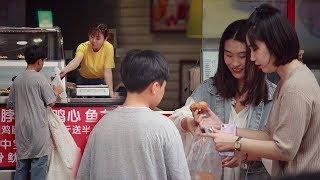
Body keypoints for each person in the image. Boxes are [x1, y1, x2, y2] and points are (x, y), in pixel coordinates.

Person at [205, 4, 320, 177]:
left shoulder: (295, 87)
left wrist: (236, 143)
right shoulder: (288, 79)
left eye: (255, 49)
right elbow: (268, 134)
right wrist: (226, 129)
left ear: (274, 43)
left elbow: (284, 149)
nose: (252, 57)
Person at [170, 19, 276, 180]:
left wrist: (246, 154)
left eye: (242, 56)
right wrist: (190, 123)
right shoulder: (209, 89)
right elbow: (176, 120)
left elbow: (281, 148)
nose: (235, 63)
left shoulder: (273, 96)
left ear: (255, 54)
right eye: (228, 55)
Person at [77, 49, 190, 180]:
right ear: (155, 87)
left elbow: (83, 175)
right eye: (164, 87)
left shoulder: (101, 126)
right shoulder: (165, 127)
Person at [7, 45, 63, 180]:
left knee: (21, 166)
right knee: (39, 167)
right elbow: (51, 102)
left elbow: (10, 104)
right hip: (38, 131)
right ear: (39, 61)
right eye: (43, 61)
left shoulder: (17, 80)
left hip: (22, 131)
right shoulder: (40, 78)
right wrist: (56, 91)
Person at [60, 23, 115, 97]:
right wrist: (65, 70)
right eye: (92, 37)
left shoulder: (109, 48)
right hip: (83, 79)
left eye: (98, 38)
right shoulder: (83, 46)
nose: (94, 41)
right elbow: (76, 61)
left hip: (99, 79)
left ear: (105, 39)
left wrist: (111, 92)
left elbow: (107, 70)